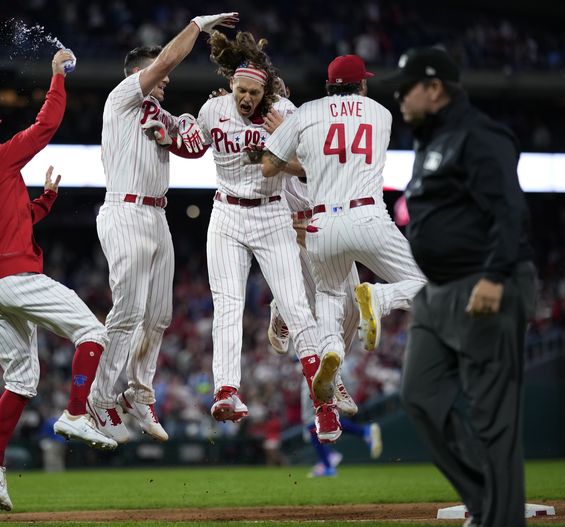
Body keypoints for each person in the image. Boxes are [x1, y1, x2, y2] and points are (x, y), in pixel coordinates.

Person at [0, 49, 116, 512]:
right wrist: (57, 77)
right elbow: (45, 126)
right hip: (12, 278)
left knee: (20, 381)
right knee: (92, 331)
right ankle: (76, 414)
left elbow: (17, 220)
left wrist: (46, 200)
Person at [388, 47, 537, 527]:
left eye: (406, 86)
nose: (398, 95)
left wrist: (495, 276)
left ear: (434, 88)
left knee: (494, 421)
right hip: (438, 292)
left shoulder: (479, 136)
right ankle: (488, 499)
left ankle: (500, 517)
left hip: (483, 284)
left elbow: (510, 210)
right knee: (418, 395)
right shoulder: (430, 141)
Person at [86, 12, 240, 444]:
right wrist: (197, 25)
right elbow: (167, 61)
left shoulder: (160, 114)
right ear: (139, 73)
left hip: (156, 215)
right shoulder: (121, 98)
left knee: (158, 316)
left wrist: (219, 111)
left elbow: (195, 145)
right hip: (125, 211)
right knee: (130, 310)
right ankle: (99, 400)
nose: (167, 79)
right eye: (159, 72)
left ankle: (138, 394)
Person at [182, 31, 341, 443]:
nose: (246, 98)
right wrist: (171, 126)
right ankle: (226, 392)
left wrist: (286, 137)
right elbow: (191, 146)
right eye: (240, 90)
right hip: (226, 214)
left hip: (272, 216)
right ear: (231, 86)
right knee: (228, 306)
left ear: (265, 91)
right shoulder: (213, 108)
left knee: (297, 309)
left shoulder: (284, 111)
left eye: (253, 91)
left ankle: (324, 408)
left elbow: (311, 170)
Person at [260, 55, 426, 413]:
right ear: (362, 85)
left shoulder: (305, 113)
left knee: (331, 295)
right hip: (368, 216)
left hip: (322, 223)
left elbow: (269, 165)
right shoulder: (381, 114)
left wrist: (284, 138)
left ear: (328, 86)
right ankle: (380, 300)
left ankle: (330, 348)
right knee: (428, 286)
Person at [264, 77, 359, 417]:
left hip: (329, 220)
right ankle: (330, 381)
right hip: (294, 223)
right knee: (322, 309)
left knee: (353, 309)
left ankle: (282, 309)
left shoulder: (320, 122)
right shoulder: (277, 115)